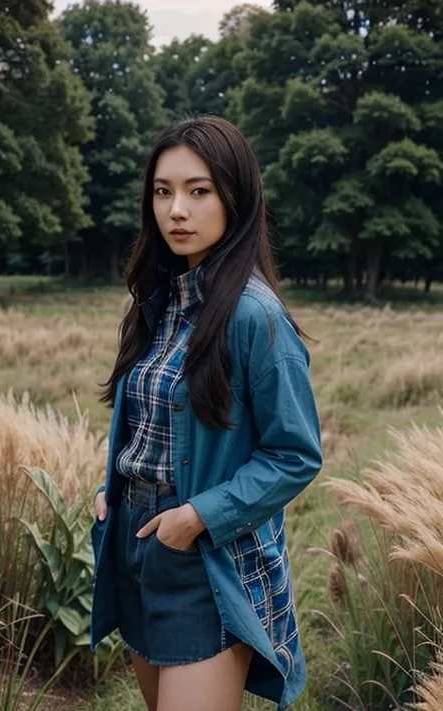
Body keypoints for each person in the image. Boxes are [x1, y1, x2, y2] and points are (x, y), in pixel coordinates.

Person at [90, 114, 322, 711]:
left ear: (235, 199)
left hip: (206, 558)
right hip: (134, 544)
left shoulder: (255, 317)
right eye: (163, 192)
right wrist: (110, 488)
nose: (177, 211)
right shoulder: (158, 301)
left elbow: (295, 455)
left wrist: (196, 516)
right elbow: (151, 421)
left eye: (199, 191)